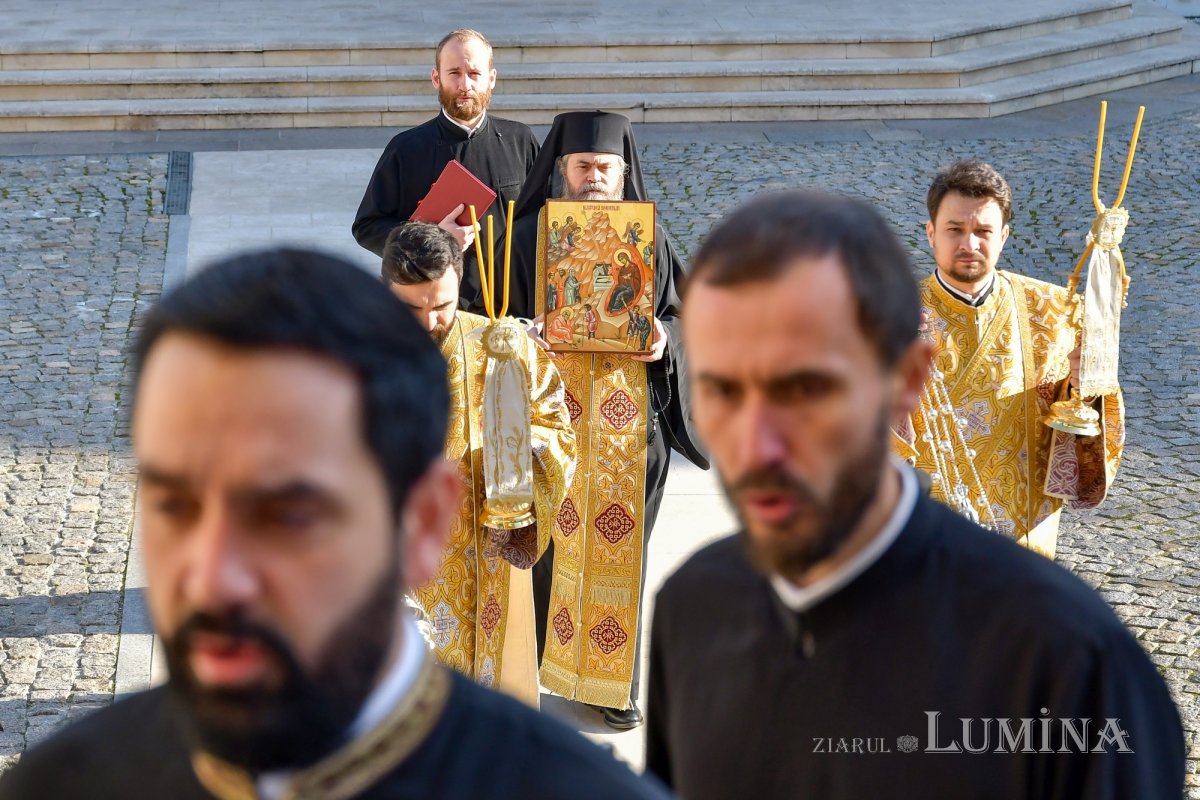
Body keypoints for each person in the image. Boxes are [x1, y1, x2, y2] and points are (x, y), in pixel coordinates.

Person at [0, 249, 669, 800]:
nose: (213, 577)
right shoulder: (67, 785)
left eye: (286, 515)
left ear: (422, 518)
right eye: (176, 506)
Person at [645, 190, 1183, 799]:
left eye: (807, 385)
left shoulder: (1071, 658)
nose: (760, 440)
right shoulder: (695, 608)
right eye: (724, 387)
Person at [508, 111, 708, 730]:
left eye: (605, 169)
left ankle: (610, 684)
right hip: (548, 425)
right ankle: (542, 666)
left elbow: (689, 318)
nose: (594, 179)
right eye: (583, 168)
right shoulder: (523, 239)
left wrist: (662, 342)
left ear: (624, 173)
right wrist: (521, 332)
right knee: (543, 550)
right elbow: (479, 317)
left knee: (625, 553)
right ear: (562, 172)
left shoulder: (652, 238)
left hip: (628, 431)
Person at [381, 223, 575, 708]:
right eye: (412, 309)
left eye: (441, 307)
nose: (429, 322)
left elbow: (557, 426)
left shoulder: (501, 347)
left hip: (482, 555)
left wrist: (520, 455)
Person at [892, 159, 1125, 558]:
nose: (969, 244)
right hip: (924, 534)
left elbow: (1082, 411)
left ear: (1003, 235)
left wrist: (1083, 383)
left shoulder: (1055, 309)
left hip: (1022, 528)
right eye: (954, 230)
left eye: (983, 231)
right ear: (931, 234)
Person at [352, 29, 538, 313]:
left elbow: (542, 219)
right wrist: (432, 238)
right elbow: (367, 227)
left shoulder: (520, 140)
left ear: (492, 78)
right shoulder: (406, 148)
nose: (465, 84)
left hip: (510, 309)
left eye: (474, 73)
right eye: (454, 73)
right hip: (433, 312)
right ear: (436, 78)